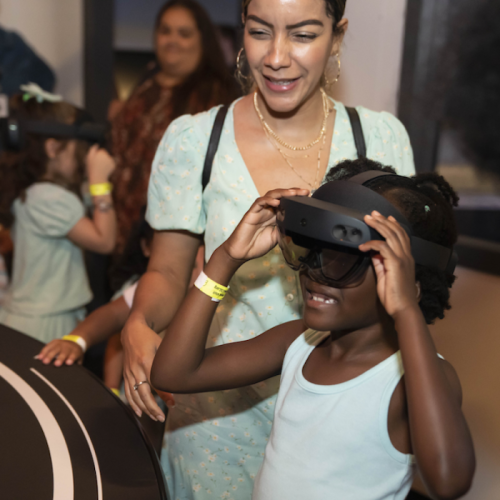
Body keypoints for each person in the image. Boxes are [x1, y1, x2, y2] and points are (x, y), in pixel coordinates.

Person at [122, 0, 416, 497]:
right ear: (241, 32)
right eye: (261, 32)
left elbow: (401, 283)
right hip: (214, 413)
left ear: (336, 36)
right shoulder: (195, 140)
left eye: (302, 34)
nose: (276, 57)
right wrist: (138, 321)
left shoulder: (381, 139)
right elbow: (169, 273)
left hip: (339, 413)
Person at [151, 159, 475, 500]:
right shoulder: (299, 343)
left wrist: (406, 312)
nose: (315, 273)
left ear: (409, 283)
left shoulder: (411, 379)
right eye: (310, 251)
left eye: (344, 261)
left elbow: (448, 480)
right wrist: (226, 258)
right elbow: (174, 373)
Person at [111, 0, 239, 253]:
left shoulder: (218, 95)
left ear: (202, 40)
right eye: (165, 30)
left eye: (184, 33)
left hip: (183, 238)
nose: (172, 40)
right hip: (126, 232)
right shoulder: (145, 85)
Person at [0, 91, 116, 343]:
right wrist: (100, 184)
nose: (83, 156)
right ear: (53, 148)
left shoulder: (37, 192)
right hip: (43, 323)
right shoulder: (48, 196)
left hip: (34, 315)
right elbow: (105, 240)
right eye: (79, 147)